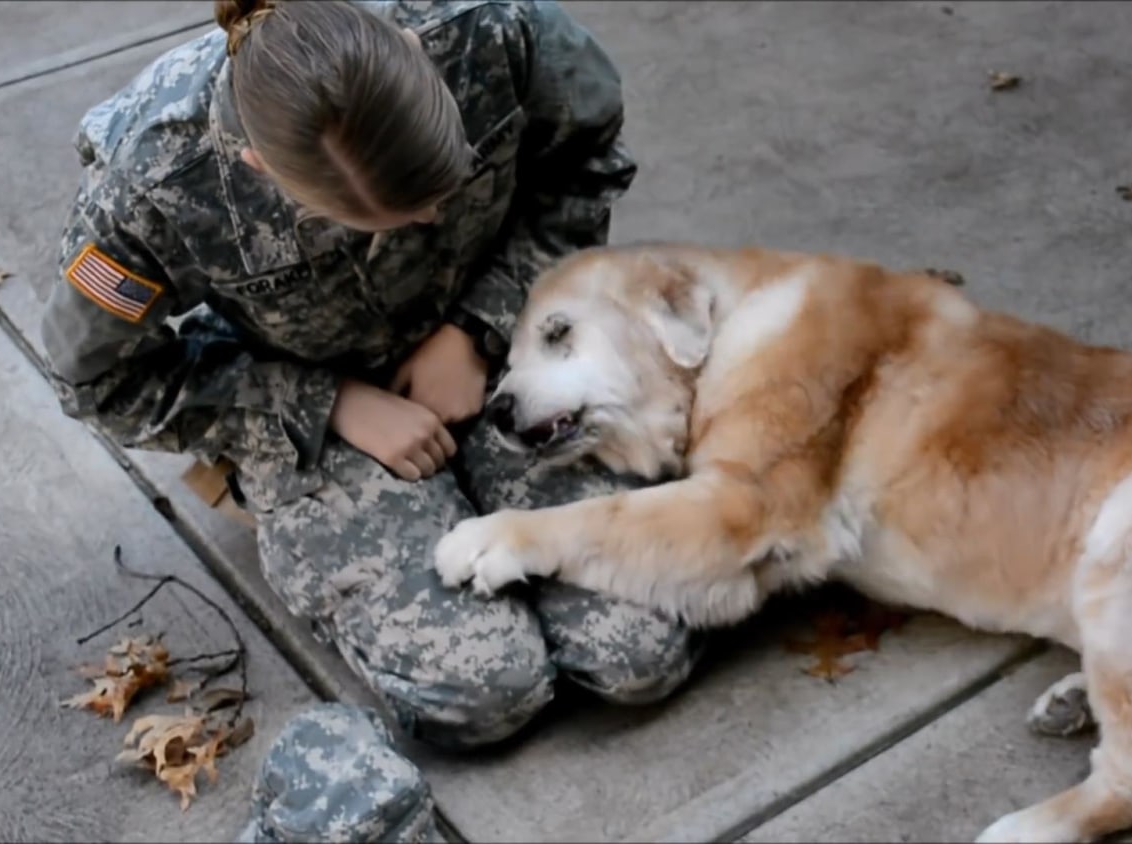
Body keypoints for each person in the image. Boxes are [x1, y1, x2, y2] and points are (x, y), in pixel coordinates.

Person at [39, 0, 703, 756]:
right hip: (314, 408)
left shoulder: (491, 28)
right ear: (262, 170)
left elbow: (585, 167)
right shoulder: (154, 183)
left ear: (420, 53)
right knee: (488, 695)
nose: (427, 221)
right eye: (380, 218)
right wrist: (327, 404)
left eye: (443, 189)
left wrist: (479, 329)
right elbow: (97, 381)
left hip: (501, 340)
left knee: (644, 649)